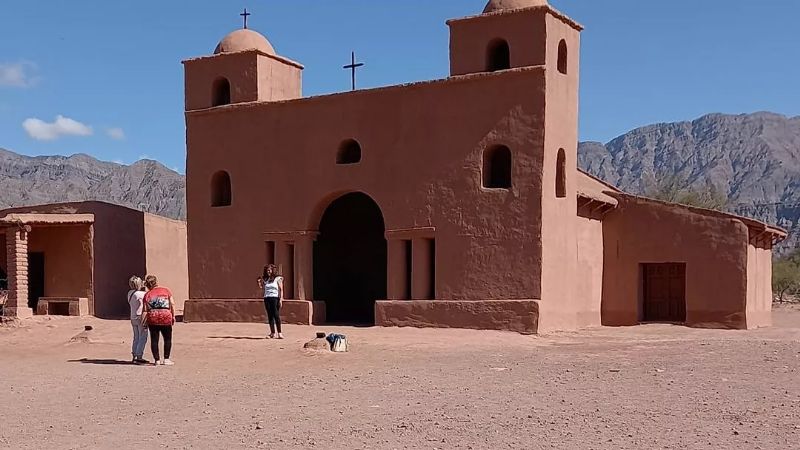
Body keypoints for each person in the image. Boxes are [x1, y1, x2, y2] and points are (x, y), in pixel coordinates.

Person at [142, 275, 176, 366]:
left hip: (153, 318)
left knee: (154, 339)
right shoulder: (166, 291)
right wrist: (173, 315)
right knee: (167, 338)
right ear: (156, 282)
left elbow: (145, 310)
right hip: (165, 316)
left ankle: (157, 360)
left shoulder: (147, 295)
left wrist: (143, 322)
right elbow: (172, 304)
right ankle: (166, 359)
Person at [257, 264, 284, 339]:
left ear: (273, 270)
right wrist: (259, 283)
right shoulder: (266, 279)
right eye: (267, 270)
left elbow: (281, 289)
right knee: (270, 316)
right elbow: (262, 288)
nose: (268, 272)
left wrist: (281, 299)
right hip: (267, 298)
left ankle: (280, 333)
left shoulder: (277, 278)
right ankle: (272, 333)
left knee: (276, 315)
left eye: (269, 270)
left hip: (275, 298)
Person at [127, 276, 148, 365]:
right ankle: (139, 355)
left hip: (133, 316)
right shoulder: (141, 294)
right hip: (140, 316)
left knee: (136, 336)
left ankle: (134, 354)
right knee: (143, 336)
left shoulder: (130, 293)